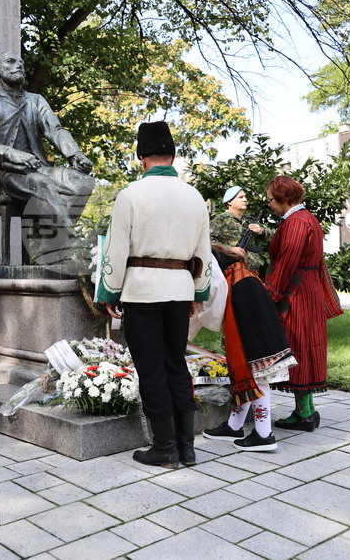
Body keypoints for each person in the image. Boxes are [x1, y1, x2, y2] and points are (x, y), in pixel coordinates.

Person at [97, 122, 212, 468]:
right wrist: (197, 292)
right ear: (173, 155)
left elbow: (116, 250)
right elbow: (202, 253)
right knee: (176, 364)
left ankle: (164, 449)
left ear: (140, 157)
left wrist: (109, 291)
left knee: (151, 370)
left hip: (142, 290)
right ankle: (186, 447)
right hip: (179, 290)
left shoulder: (130, 195)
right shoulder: (193, 197)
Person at [0, 51, 94, 262]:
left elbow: (55, 130)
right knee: (41, 183)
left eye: (21, 63)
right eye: (11, 62)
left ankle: (51, 243)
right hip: (1, 173)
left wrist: (75, 154)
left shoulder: (36, 100)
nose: (19, 66)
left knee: (83, 182)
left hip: (36, 168)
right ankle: (69, 241)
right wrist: (11, 154)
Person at [203, 186, 296, 452]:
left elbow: (212, 309)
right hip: (258, 311)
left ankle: (264, 435)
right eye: (240, 196)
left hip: (257, 327)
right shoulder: (239, 275)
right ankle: (234, 425)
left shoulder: (235, 281)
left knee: (256, 373)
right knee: (244, 371)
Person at [264, 175, 343, 432]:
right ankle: (305, 411)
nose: (269, 205)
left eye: (271, 200)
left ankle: (305, 413)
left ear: (284, 198)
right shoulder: (305, 218)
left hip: (296, 293)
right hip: (307, 289)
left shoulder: (297, 222)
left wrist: (270, 296)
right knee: (304, 348)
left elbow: (286, 262)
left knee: (298, 348)